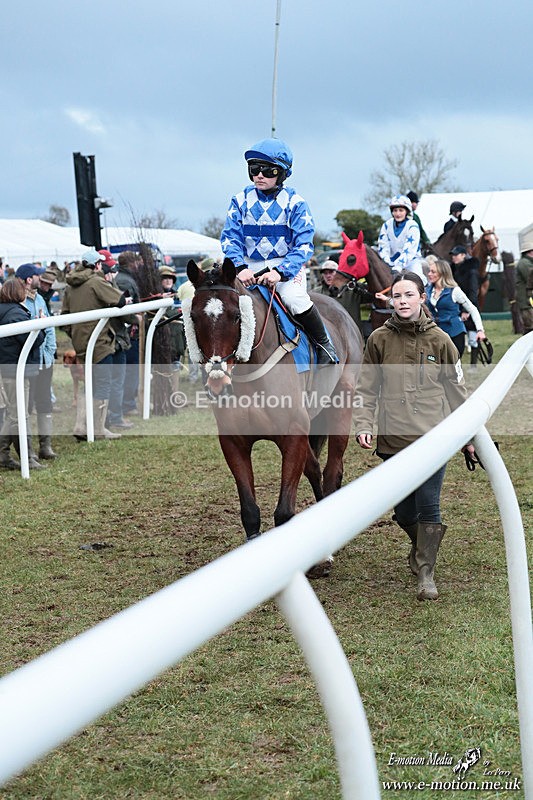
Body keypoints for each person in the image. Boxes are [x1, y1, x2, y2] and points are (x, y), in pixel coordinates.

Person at [354, 270, 476, 601]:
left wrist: (470, 437)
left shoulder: (442, 340)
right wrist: (364, 424)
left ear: (422, 298)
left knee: (429, 506)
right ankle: (420, 546)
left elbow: (457, 392)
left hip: (433, 440)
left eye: (409, 295)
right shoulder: (378, 339)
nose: (403, 301)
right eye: (397, 295)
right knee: (405, 513)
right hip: (393, 442)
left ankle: (426, 573)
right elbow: (366, 389)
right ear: (390, 300)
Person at [220, 137, 337, 364]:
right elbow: (229, 238)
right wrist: (240, 267)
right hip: (247, 266)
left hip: (284, 266)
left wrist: (280, 273)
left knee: (294, 299)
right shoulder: (239, 200)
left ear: (282, 173)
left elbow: (304, 245)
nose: (259, 175)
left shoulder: (295, 202)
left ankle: (325, 345)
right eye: (254, 169)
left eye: (268, 170)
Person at [61, 249, 128, 440]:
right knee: (103, 384)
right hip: (99, 343)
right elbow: (120, 301)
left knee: (88, 384)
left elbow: (64, 317)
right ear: (97, 265)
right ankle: (99, 429)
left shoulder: (69, 285)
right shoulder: (96, 281)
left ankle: (80, 426)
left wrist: (75, 334)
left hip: (80, 343)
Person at [0, 278, 46, 469]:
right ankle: (26, 457)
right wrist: (41, 326)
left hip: (9, 368)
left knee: (15, 413)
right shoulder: (16, 314)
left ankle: (4, 455)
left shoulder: (8, 311)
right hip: (15, 370)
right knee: (18, 415)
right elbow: (33, 341)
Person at [16, 263, 58, 460]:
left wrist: (50, 351)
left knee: (44, 401)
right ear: (28, 279)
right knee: (25, 405)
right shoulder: (16, 300)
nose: (41, 280)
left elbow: (49, 327)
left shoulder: (39, 298)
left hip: (43, 359)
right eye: (37, 276)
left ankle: (45, 446)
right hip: (27, 362)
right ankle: (27, 449)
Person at [100, 251, 136, 430]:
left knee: (110, 382)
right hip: (113, 340)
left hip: (111, 340)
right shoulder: (104, 286)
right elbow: (125, 316)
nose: (113, 271)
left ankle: (110, 417)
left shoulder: (108, 283)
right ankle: (113, 417)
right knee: (113, 382)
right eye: (110, 267)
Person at [425, 259, 486, 356]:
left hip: (454, 333)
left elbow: (473, 309)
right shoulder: (427, 291)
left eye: (433, 272)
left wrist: (480, 330)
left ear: (442, 273)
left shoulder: (454, 291)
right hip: (435, 334)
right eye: (429, 271)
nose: (429, 274)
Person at [114, 251, 142, 415]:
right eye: (137, 263)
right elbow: (126, 309)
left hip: (128, 331)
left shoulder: (125, 279)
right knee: (130, 369)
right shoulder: (125, 281)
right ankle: (128, 404)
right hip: (128, 333)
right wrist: (136, 319)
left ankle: (128, 402)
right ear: (131, 264)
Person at [377, 195, 425, 282]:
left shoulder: (412, 225)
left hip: (411, 263)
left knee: (420, 282)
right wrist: (387, 262)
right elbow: (383, 246)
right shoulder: (386, 225)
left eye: (401, 210)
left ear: (406, 211)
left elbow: (410, 249)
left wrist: (399, 265)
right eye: (395, 210)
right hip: (390, 264)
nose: (398, 214)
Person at [449, 245, 482, 365]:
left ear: (463, 255)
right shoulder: (453, 270)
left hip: (468, 307)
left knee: (473, 337)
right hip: (456, 308)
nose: (454, 257)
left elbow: (473, 292)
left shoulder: (471, 272)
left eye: (456, 255)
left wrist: (466, 310)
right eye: (452, 255)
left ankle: (473, 364)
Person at [515, 225, 533, 335]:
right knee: (530, 328)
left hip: (528, 301)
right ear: (529, 252)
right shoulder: (525, 264)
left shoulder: (526, 262)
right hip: (526, 302)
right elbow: (530, 278)